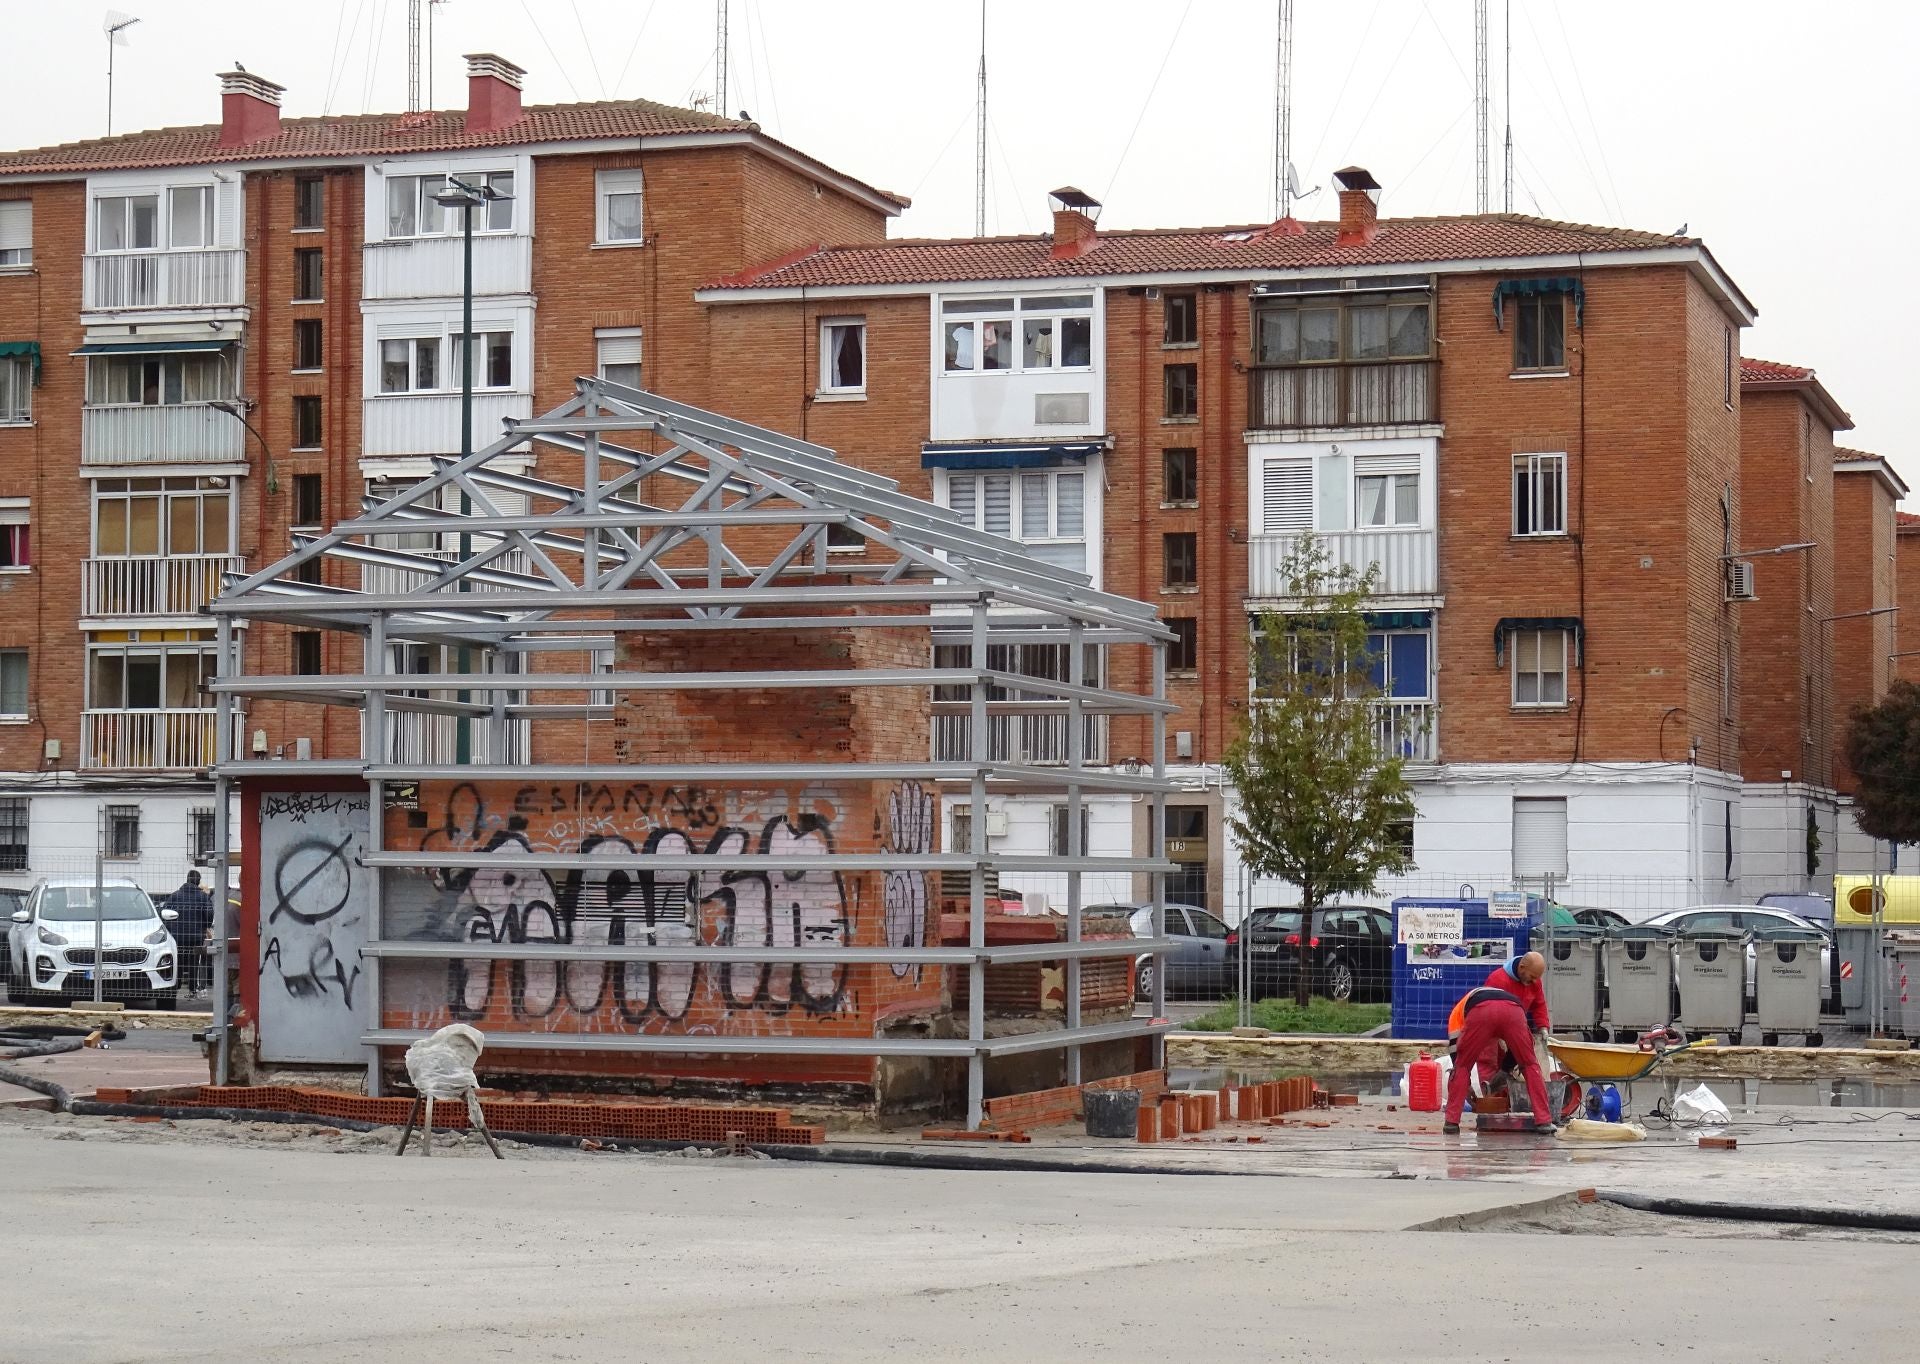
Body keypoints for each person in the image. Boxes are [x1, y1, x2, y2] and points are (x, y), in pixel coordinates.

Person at [1443, 984, 1555, 1135]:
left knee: (1462, 1066)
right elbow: (1521, 1049)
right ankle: (1544, 1121)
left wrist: (1466, 1084)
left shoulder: (1456, 1014)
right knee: (1529, 1064)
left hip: (1480, 1011)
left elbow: (1456, 1052)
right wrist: (1506, 1068)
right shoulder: (1505, 997)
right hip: (1513, 1010)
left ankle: (1451, 1122)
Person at [166, 870, 215, 996]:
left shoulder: (175, 895)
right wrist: (206, 926)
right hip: (196, 935)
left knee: (179, 960)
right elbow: (209, 913)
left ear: (187, 879)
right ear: (198, 882)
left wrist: (171, 928)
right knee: (194, 962)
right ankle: (192, 989)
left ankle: (175, 987)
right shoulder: (203, 897)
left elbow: (165, 912)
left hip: (178, 935)